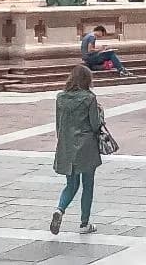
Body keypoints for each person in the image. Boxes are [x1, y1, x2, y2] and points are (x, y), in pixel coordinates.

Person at [50, 65, 104, 236]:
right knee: (88, 184)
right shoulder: (89, 98)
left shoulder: (60, 98)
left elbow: (59, 125)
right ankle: (84, 223)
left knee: (71, 184)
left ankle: (60, 209)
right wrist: (101, 114)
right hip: (86, 145)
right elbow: (95, 125)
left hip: (66, 144)